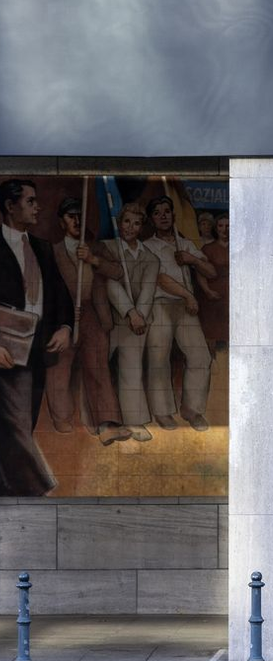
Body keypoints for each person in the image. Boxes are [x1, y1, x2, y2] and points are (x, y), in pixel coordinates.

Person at [0, 180, 73, 495]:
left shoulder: (42, 247)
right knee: (17, 424)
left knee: (22, 423)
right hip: (5, 350)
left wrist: (65, 327)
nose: (37, 207)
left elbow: (60, 294)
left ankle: (7, 488)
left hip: (39, 349)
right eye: (30, 201)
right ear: (9, 206)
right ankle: (39, 490)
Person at [46, 197, 130, 444]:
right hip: (64, 319)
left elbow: (118, 272)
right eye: (71, 216)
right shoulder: (52, 251)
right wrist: (62, 314)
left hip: (94, 316)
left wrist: (93, 260)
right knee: (59, 370)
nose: (77, 221)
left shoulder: (97, 248)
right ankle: (61, 420)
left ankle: (108, 424)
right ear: (62, 222)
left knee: (98, 369)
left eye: (80, 216)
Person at [143, 195, 216, 431]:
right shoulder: (148, 246)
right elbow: (161, 279)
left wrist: (192, 259)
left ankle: (192, 410)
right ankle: (162, 412)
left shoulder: (184, 243)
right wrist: (188, 296)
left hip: (185, 307)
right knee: (159, 358)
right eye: (157, 213)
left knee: (201, 357)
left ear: (174, 215)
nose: (163, 216)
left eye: (167, 211)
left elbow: (211, 271)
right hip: (160, 305)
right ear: (151, 220)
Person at [95, 203, 161, 444]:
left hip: (137, 324)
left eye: (136, 223)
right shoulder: (107, 248)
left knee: (132, 370)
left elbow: (148, 291)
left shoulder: (151, 258)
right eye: (126, 221)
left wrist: (139, 316)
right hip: (108, 319)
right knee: (97, 368)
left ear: (142, 227)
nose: (130, 227)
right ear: (119, 222)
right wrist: (130, 312)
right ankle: (98, 420)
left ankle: (134, 421)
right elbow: (111, 284)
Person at [197, 212, 229, 354]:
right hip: (214, 296)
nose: (224, 229)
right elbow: (200, 272)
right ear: (216, 228)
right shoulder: (208, 249)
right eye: (221, 226)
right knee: (212, 335)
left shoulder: (239, 247)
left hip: (232, 297)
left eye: (228, 226)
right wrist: (207, 290)